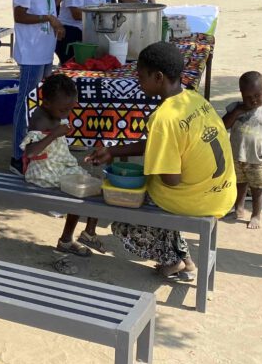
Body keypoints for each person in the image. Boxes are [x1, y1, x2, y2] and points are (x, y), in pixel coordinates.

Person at [88, 42, 236, 281]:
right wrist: (113, 151)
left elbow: (171, 180)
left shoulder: (164, 117)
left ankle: (172, 260)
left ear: (158, 77)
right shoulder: (193, 99)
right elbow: (164, 144)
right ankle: (183, 260)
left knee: (125, 215)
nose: (138, 82)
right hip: (222, 193)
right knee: (149, 192)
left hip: (196, 199)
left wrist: (145, 173)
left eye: (141, 76)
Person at [22, 74, 101, 262]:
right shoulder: (40, 119)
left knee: (96, 184)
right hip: (43, 171)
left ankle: (87, 233)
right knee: (83, 190)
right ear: (47, 103)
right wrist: (54, 134)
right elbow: (30, 152)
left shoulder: (55, 112)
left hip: (58, 165)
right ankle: (69, 239)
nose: (67, 113)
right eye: (64, 109)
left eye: (71, 108)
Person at [11, 0, 67, 175]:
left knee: (39, 104)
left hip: (44, 49)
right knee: (25, 104)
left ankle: (35, 149)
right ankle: (16, 156)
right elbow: (20, 14)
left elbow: (46, 6)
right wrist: (49, 19)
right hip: (31, 51)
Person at [223, 72, 262, 229]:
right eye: (247, 97)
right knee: (239, 184)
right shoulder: (235, 108)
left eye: (257, 95)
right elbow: (223, 125)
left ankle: (256, 215)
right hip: (237, 157)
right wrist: (236, 112)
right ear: (241, 93)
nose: (253, 100)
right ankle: (238, 209)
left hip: (257, 159)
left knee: (257, 189)